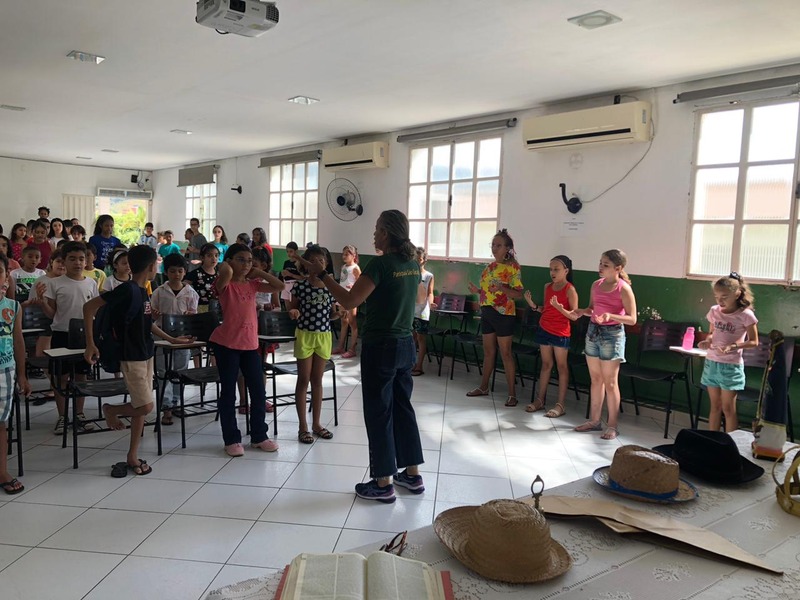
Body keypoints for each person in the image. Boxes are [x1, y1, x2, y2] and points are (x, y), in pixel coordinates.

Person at [301, 210, 425, 504]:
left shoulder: (380, 264)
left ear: (387, 233)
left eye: (377, 229)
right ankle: (412, 474)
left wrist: (323, 275)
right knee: (403, 409)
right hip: (405, 344)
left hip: (381, 346)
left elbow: (349, 300)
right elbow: (418, 298)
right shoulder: (412, 264)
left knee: (379, 412)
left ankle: (383, 482)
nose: (373, 234)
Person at [83, 245, 192, 476]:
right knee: (145, 406)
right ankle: (111, 409)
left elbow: (146, 323)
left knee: (140, 407)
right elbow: (89, 307)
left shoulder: (142, 291)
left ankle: (132, 455)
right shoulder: (127, 290)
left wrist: (171, 339)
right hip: (130, 355)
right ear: (152, 266)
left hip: (146, 353)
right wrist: (90, 343)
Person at [209, 243, 283, 456]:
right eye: (241, 260)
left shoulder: (253, 284)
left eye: (249, 260)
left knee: (258, 391)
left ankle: (259, 435)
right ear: (230, 261)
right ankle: (231, 439)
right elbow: (224, 272)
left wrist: (258, 271)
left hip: (250, 344)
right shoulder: (225, 284)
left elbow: (278, 286)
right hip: (227, 344)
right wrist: (227, 265)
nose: (246, 264)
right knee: (228, 393)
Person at [572, 249, 637, 440]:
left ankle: (612, 425)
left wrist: (611, 316)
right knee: (595, 379)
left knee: (610, 382)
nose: (600, 267)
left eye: (606, 265)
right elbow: (592, 308)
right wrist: (582, 311)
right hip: (593, 332)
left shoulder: (623, 288)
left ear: (618, 268)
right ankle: (594, 420)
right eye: (600, 263)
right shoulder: (596, 285)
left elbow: (632, 319)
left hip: (612, 335)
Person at [43, 241, 100, 434]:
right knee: (61, 377)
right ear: (64, 261)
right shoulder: (55, 283)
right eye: (72, 259)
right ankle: (62, 417)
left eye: (81, 259)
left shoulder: (91, 283)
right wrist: (43, 303)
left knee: (81, 376)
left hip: (84, 335)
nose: (77, 263)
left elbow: (94, 310)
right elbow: (52, 313)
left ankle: (79, 414)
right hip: (61, 334)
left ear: (86, 261)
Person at [465, 229, 524, 407]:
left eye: (499, 245)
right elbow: (489, 291)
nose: (494, 248)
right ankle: (483, 387)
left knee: (505, 353)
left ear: (507, 248)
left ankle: (512, 395)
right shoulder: (489, 267)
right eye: (493, 244)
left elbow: (518, 294)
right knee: (489, 352)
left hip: (504, 314)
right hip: (487, 312)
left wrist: (502, 288)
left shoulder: (513, 267)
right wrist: (478, 291)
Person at [288, 245, 339, 443]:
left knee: (317, 380)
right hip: (305, 335)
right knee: (303, 379)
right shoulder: (300, 286)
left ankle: (316, 424)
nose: (317, 264)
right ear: (306, 265)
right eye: (313, 261)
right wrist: (293, 312)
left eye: (321, 261)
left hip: (324, 336)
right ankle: (303, 427)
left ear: (326, 264)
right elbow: (292, 309)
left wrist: (338, 314)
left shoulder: (330, 286)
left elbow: (332, 313)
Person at [697, 273, 758, 433]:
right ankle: (713, 440)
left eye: (724, 297)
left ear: (737, 294)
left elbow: (754, 341)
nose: (720, 301)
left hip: (731, 366)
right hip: (712, 363)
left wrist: (733, 346)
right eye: (717, 297)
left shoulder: (745, 315)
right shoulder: (714, 311)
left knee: (728, 408)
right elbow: (712, 333)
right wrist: (708, 341)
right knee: (715, 407)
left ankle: (730, 443)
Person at [523, 255, 578, 418]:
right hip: (544, 329)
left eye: (556, 269)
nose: (552, 272)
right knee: (546, 364)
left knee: (561, 367)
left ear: (566, 271)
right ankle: (540, 400)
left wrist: (560, 308)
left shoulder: (570, 290)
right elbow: (545, 309)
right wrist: (533, 305)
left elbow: (574, 316)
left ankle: (560, 405)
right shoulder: (547, 286)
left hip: (560, 333)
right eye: (551, 269)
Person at [151, 253, 199, 426]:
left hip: (183, 336)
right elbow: (152, 314)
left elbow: (194, 313)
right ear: (166, 272)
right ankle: (166, 407)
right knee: (163, 371)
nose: (176, 274)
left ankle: (176, 403)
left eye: (180, 271)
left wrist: (190, 314)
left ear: (185, 272)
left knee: (180, 371)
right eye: (172, 271)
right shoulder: (159, 291)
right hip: (162, 336)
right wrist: (155, 314)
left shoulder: (190, 292)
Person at [0, 252, 32, 495]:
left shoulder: (12, 307)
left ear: (6, 277)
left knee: (1, 424)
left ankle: (2, 471)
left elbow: (18, 341)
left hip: (5, 371)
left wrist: (22, 375)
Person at [411, 247, 436, 376]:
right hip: (410, 310)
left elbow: (430, 292)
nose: (417, 261)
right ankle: (410, 363)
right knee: (411, 337)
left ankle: (419, 366)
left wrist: (430, 303)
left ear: (424, 260)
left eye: (419, 259)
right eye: (415, 258)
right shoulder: (410, 274)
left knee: (421, 338)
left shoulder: (428, 276)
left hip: (422, 311)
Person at [332, 245, 361, 358]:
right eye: (343, 254)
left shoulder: (355, 268)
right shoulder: (343, 266)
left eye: (346, 254)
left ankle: (352, 348)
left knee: (352, 322)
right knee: (343, 321)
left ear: (353, 256)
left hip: (351, 297)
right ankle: (340, 346)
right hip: (342, 297)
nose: (344, 256)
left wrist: (353, 286)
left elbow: (360, 283)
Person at [184, 243, 219, 313]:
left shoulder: (219, 273)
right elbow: (183, 287)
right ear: (202, 258)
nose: (214, 258)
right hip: (200, 309)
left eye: (216, 255)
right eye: (209, 255)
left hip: (216, 309)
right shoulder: (195, 273)